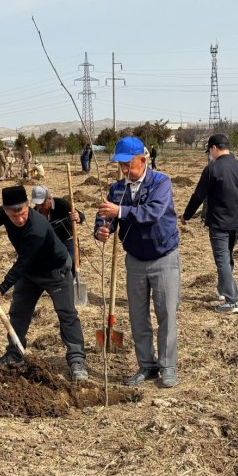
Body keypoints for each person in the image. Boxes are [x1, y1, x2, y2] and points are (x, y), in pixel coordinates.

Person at [0, 185, 88, 382]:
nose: (19, 220)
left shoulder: (37, 227)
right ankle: (14, 354)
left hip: (55, 270)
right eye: (13, 216)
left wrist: (1, 289)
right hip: (30, 274)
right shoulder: (3, 213)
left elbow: (22, 263)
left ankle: (76, 360)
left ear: (28, 206)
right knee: (18, 312)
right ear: (6, 210)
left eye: (23, 213)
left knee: (66, 313)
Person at [94, 136, 181, 388]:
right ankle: (146, 364)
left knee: (165, 313)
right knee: (137, 316)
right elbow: (105, 217)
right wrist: (102, 229)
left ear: (143, 161)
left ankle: (167, 366)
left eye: (128, 164)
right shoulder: (117, 189)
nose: (124, 170)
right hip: (134, 259)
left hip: (163, 256)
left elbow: (153, 213)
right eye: (120, 165)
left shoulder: (161, 183)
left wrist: (119, 212)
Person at [181, 133, 238, 314]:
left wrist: (186, 216)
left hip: (219, 223)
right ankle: (223, 290)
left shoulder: (212, 169)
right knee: (226, 258)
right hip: (237, 222)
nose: (210, 154)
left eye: (209, 151)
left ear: (214, 148)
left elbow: (198, 195)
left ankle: (231, 301)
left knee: (222, 261)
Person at [31, 185, 84, 276]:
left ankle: (72, 281)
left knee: (71, 261)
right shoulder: (34, 213)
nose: (39, 207)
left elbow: (81, 216)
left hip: (68, 240)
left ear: (50, 198)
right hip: (49, 244)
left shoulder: (61, 204)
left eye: (42, 204)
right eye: (37, 204)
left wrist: (77, 217)